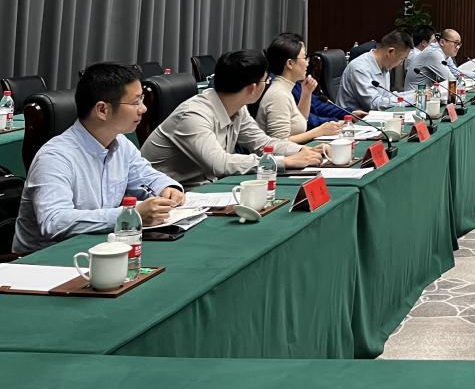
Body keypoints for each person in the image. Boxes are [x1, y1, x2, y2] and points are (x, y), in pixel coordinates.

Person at [12, 63, 185, 254]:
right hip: (46, 260)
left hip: (99, 248)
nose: (143, 109)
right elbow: (54, 222)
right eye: (135, 102)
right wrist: (129, 216)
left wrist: (168, 188)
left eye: (142, 99)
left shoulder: (120, 143)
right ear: (102, 110)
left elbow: (147, 177)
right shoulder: (54, 158)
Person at [140, 51, 324, 186]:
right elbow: (220, 164)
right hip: (166, 196)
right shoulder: (193, 115)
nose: (267, 85)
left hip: (204, 188)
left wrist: (304, 150)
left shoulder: (237, 108)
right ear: (252, 88)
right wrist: (285, 161)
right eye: (266, 81)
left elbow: (263, 143)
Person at [256, 33, 343, 143]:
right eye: (305, 58)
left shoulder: (285, 87)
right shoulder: (278, 95)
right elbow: (279, 142)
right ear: (290, 64)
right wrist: (320, 131)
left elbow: (299, 123)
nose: (307, 63)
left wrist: (306, 94)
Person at [338, 29, 414, 111]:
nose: (401, 63)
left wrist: (415, 94)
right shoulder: (360, 68)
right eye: (402, 58)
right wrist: (411, 99)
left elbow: (386, 97)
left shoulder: (384, 66)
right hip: (352, 117)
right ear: (390, 52)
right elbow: (374, 104)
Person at [404, 25, 438, 90]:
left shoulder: (413, 52)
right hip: (417, 93)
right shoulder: (416, 56)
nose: (436, 44)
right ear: (424, 43)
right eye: (434, 41)